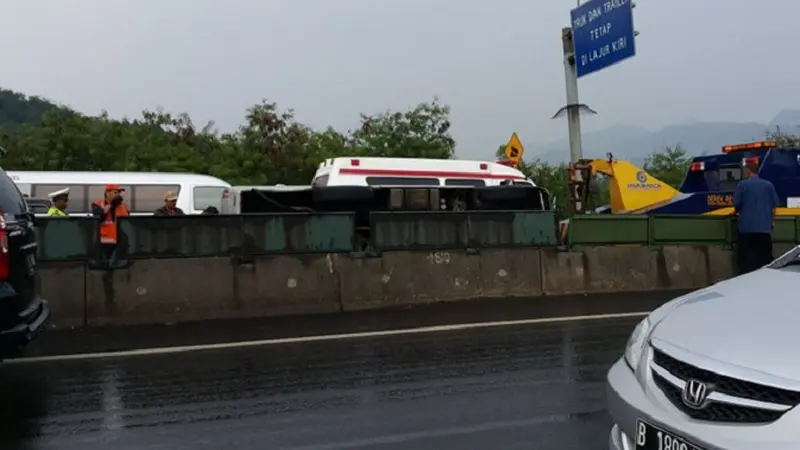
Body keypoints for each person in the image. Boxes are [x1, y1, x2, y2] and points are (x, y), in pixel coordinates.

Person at [733, 163, 780, 275]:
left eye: (744, 171)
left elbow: (737, 205)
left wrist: (735, 213)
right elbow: (773, 207)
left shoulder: (742, 185)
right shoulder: (768, 185)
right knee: (765, 259)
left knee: (746, 260)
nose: (744, 173)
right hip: (764, 229)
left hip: (746, 229)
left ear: (748, 171)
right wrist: (772, 221)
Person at [91, 184, 130, 261]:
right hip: (104, 243)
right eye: (116, 193)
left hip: (120, 243)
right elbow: (99, 215)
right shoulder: (98, 204)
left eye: (119, 193)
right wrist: (111, 205)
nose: (118, 195)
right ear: (107, 193)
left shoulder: (124, 206)